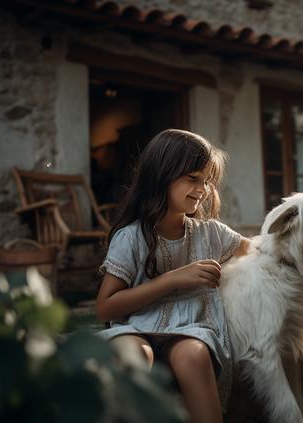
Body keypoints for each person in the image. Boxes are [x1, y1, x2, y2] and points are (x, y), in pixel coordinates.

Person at [96, 129, 250, 423]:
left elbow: (258, 250)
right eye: (193, 178)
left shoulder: (212, 233)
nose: (203, 189)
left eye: (207, 181)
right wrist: (172, 280)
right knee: (133, 356)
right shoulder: (132, 237)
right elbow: (105, 306)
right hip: (135, 328)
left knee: (193, 355)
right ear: (161, 175)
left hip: (190, 329)